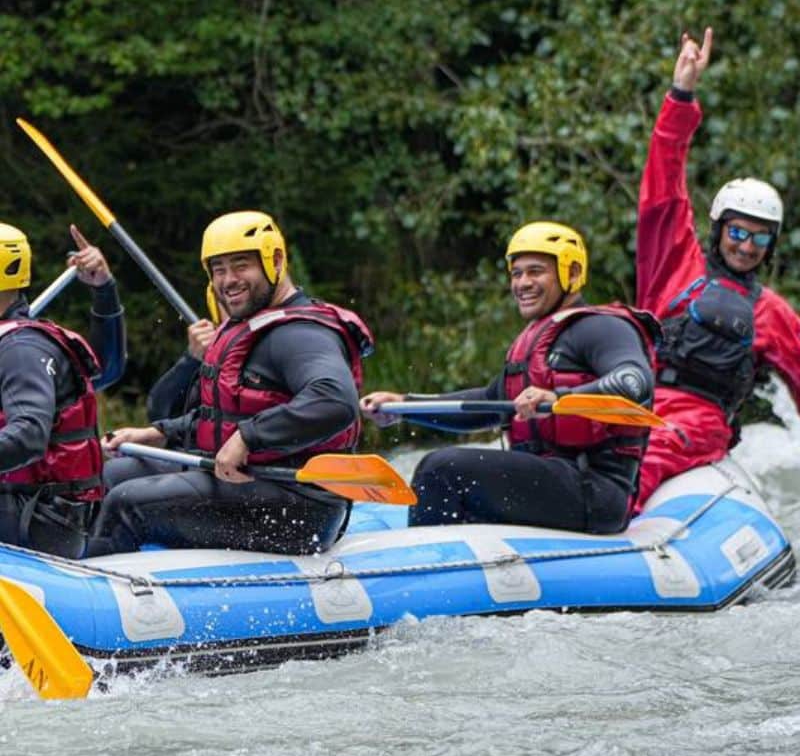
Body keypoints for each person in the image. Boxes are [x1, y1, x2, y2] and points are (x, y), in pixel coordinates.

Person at [93, 210, 374, 555]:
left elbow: (335, 401)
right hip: (248, 482)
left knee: (127, 502)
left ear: (275, 260)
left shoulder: (301, 334)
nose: (228, 280)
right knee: (114, 475)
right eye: (219, 269)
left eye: (241, 266)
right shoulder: (249, 325)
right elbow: (230, 414)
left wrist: (248, 437)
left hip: (298, 506)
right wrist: (160, 432)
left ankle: (91, 596)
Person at [361, 221, 657, 535]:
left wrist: (558, 398)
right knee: (446, 473)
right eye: (516, 274)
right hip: (549, 482)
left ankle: (427, 569)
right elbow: (489, 403)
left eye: (536, 271)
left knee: (441, 469)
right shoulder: (535, 340)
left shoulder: (602, 327)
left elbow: (635, 381)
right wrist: (404, 406)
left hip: (593, 490)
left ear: (571, 273)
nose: (522, 283)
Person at [635, 27, 800, 508]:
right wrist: (681, 93)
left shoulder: (773, 314)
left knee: (642, 457)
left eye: (759, 237)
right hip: (635, 402)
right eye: (738, 232)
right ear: (719, 230)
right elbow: (663, 183)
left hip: (696, 425)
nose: (746, 246)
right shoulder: (674, 264)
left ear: (769, 246)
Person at [0, 222, 126, 557]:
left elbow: (27, 435)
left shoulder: (20, 350)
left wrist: (103, 290)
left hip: (36, 518)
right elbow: (106, 370)